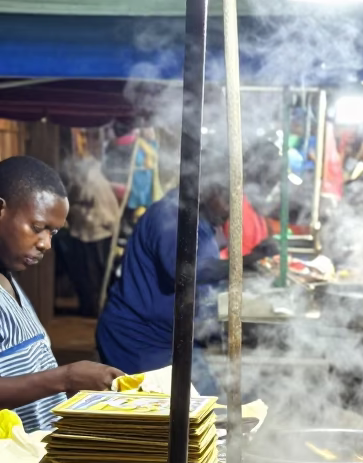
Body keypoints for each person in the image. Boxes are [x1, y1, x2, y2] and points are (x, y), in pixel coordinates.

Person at [97, 173, 271, 396]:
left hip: (174, 337)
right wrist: (245, 262)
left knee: (207, 406)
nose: (230, 210)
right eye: (227, 200)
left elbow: (207, 262)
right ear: (205, 191)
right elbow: (185, 271)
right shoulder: (172, 216)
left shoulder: (201, 218)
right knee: (166, 415)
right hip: (139, 339)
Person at [0, 157, 123, 431]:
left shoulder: (9, 279)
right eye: (37, 227)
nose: (46, 243)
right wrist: (65, 378)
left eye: (53, 232)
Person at [55, 154, 120, 316]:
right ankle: (89, 306)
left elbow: (105, 211)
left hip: (97, 234)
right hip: (84, 232)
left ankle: (95, 307)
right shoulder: (82, 182)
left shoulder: (96, 183)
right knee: (86, 274)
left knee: (95, 273)